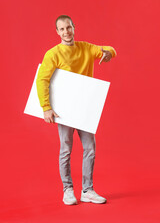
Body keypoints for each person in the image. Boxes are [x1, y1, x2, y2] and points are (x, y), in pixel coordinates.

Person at [36, 15, 117, 205]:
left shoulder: (86, 48)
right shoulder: (53, 54)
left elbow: (111, 49)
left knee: (90, 148)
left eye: (69, 28)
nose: (66, 32)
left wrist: (109, 54)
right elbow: (42, 79)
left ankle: (87, 190)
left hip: (85, 107)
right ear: (57, 32)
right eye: (62, 29)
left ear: (74, 27)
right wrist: (46, 107)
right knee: (66, 150)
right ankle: (68, 189)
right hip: (64, 109)